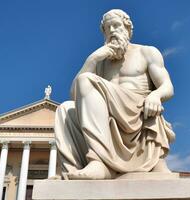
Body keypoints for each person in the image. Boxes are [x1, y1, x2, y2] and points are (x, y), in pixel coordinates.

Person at [54, 9, 175, 180]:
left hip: (137, 110)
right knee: (65, 109)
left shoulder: (146, 52)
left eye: (116, 26)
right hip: (109, 118)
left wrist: (156, 95)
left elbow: (168, 86)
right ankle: (77, 169)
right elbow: (75, 94)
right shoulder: (100, 60)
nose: (111, 31)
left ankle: (99, 161)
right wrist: (93, 59)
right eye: (107, 28)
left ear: (127, 29)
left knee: (86, 79)